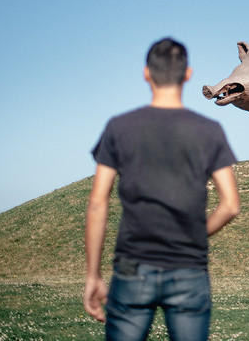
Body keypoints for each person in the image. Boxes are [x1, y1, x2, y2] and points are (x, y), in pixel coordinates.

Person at [84, 37, 240, 341]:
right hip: (189, 269)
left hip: (131, 268)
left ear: (146, 73)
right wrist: (195, 234)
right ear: (188, 75)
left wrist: (92, 275)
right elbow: (230, 205)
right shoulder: (210, 131)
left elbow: (97, 204)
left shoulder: (119, 127)